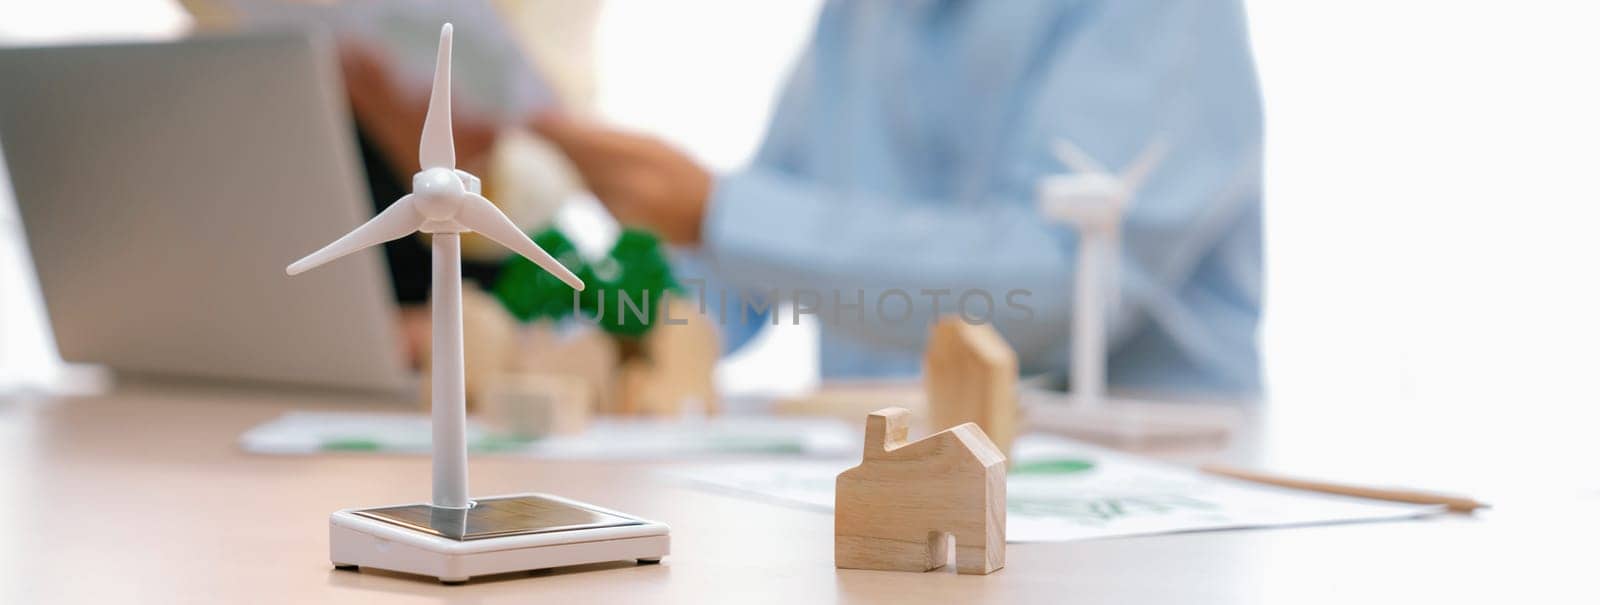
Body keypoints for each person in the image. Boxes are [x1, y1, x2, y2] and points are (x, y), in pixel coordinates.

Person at [533, 0, 1265, 396]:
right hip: (876, 459)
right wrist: (559, 343)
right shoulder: (860, 16)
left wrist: (720, 212)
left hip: (1157, 489)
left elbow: (1054, 284)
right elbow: (734, 276)